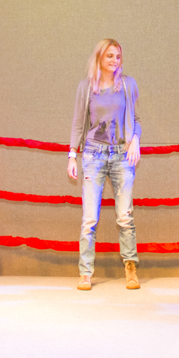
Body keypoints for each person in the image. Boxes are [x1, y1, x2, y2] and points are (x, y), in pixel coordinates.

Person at [68, 39, 142, 291]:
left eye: (118, 56)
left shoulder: (128, 84)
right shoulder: (86, 87)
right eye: (110, 56)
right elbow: (78, 123)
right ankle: (85, 273)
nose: (114, 61)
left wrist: (135, 140)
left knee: (125, 217)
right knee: (89, 219)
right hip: (93, 156)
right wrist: (72, 155)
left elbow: (136, 119)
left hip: (122, 156)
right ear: (99, 57)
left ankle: (131, 269)